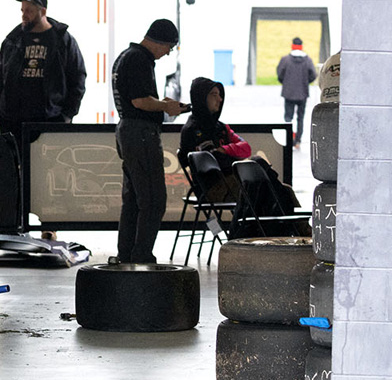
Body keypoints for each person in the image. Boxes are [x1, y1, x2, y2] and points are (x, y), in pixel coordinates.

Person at [111, 18, 187, 264]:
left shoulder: (126, 56)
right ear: (160, 42)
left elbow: (137, 99)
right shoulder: (139, 59)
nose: (167, 53)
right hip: (141, 134)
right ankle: (142, 255)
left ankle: (127, 255)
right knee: (153, 200)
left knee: (133, 200)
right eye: (169, 47)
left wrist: (163, 103)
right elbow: (140, 101)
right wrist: (166, 106)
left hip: (128, 131)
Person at [179, 76, 300, 214]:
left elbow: (245, 148)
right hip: (213, 188)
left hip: (230, 181)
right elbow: (213, 163)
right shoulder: (193, 130)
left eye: (219, 95)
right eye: (214, 95)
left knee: (281, 189)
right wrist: (232, 156)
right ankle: (287, 225)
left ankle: (293, 226)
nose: (220, 99)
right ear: (201, 98)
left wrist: (224, 150)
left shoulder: (221, 127)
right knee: (267, 186)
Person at [0, 0, 87, 150]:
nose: (24, 15)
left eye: (29, 11)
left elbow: (78, 78)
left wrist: (67, 115)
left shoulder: (62, 41)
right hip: (14, 121)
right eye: (22, 10)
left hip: (50, 120)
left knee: (48, 164)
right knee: (15, 164)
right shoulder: (12, 40)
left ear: (43, 11)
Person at [277, 37, 317, 148]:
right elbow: (313, 75)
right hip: (302, 93)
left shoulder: (285, 60)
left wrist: (286, 83)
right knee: (300, 118)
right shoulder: (308, 60)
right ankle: (298, 140)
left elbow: (280, 74)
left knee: (288, 118)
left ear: (292, 46)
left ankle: (289, 138)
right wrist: (305, 82)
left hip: (288, 93)